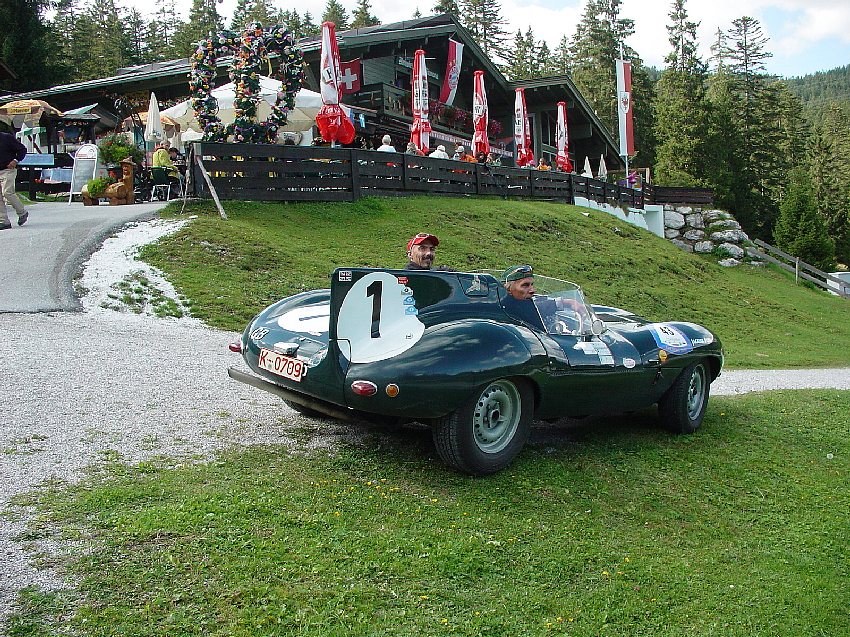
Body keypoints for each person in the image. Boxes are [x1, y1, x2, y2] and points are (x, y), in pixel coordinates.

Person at [0, 130, 30, 230]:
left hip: (7, 170)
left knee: (7, 192)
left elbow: (22, 150)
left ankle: (22, 212)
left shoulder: (6, 137)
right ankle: (4, 221)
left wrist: (15, 160)